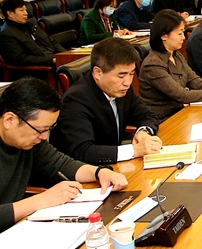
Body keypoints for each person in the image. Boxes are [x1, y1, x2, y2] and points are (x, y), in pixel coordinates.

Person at [0, 78, 128, 233]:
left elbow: (60, 164)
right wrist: (42, 200)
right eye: (40, 130)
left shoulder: (30, 142)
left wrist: (99, 172)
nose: (43, 137)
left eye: (48, 129)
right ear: (9, 120)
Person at [51, 38, 162, 164]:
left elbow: (147, 115)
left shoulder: (121, 88)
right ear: (98, 73)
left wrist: (143, 131)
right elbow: (82, 151)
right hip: (85, 170)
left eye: (131, 74)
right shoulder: (75, 100)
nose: (128, 82)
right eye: (121, 75)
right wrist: (134, 150)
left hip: (115, 164)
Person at [138, 10, 202, 120]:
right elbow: (181, 95)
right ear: (163, 36)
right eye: (179, 33)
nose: (183, 37)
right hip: (161, 119)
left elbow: (196, 82)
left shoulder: (176, 55)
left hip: (180, 112)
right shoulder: (153, 64)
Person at [0, 0, 65, 66]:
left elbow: (51, 41)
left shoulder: (30, 25)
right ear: (10, 13)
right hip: (44, 66)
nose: (26, 13)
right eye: (21, 10)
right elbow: (21, 59)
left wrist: (65, 54)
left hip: (56, 58)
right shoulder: (7, 34)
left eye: (25, 10)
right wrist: (52, 60)